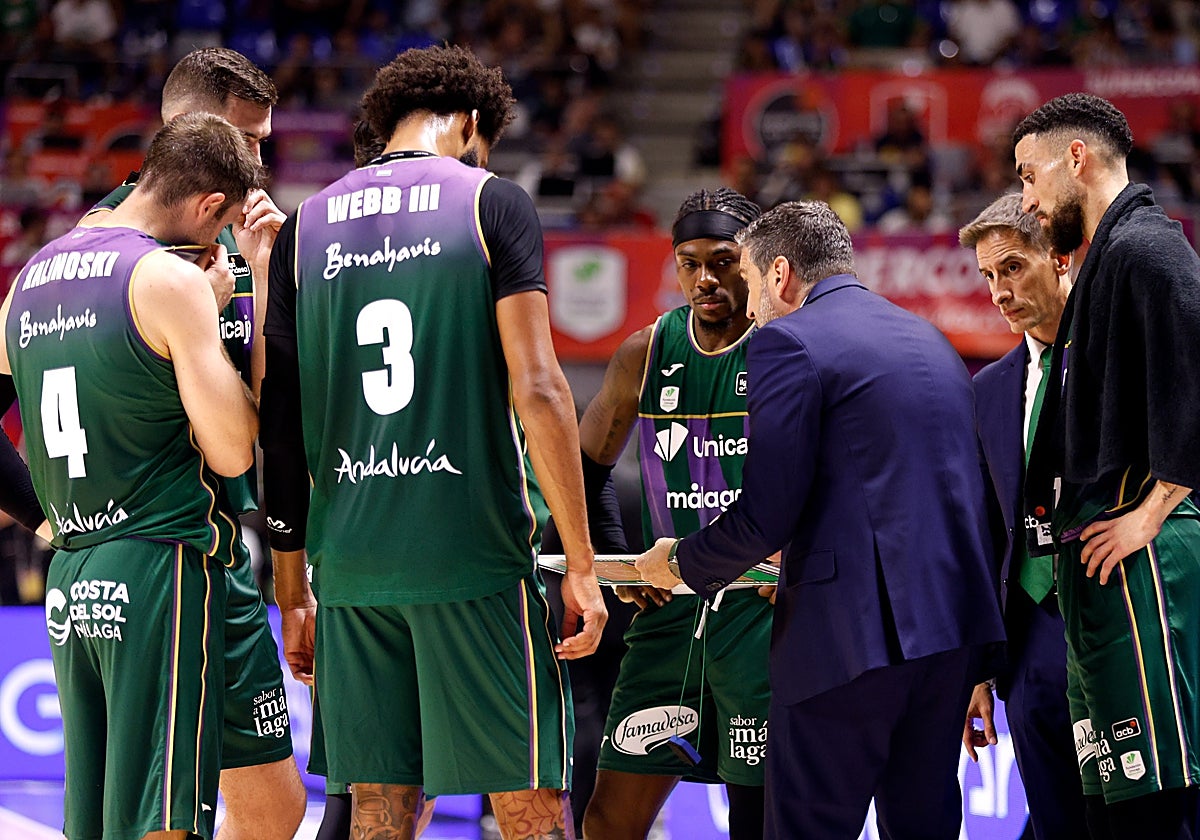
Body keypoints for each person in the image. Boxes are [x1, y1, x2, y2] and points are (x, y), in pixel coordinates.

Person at [259, 44, 607, 838]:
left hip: (348, 568)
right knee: (526, 802)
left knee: (381, 810)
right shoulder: (491, 201)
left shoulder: (305, 225)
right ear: (471, 123)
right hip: (472, 560)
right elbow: (542, 388)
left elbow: (279, 421)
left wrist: (293, 590)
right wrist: (581, 565)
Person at [636, 200, 1005, 839]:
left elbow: (766, 515)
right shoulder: (930, 338)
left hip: (846, 641)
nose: (749, 308)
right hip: (950, 638)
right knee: (924, 827)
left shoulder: (787, 340)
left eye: (749, 283)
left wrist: (676, 563)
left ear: (780, 274)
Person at [0, 112, 261, 840]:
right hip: (158, 567)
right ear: (210, 207)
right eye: (225, 225)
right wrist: (210, 309)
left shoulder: (29, 281)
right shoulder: (168, 280)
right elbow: (235, 452)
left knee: (96, 819)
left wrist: (38, 516)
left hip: (73, 570)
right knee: (163, 819)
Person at [82, 46, 307, 840]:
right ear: (189, 132)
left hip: (230, 557)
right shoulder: (105, 243)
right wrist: (43, 518)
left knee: (276, 810)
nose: (261, 161)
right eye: (248, 141)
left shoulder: (257, 237)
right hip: (149, 553)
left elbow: (279, 410)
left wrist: (292, 576)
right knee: (156, 814)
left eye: (265, 142)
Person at [1014, 92, 1200, 839]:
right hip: (1096, 573)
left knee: (1157, 803)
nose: (1027, 199)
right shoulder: (1103, 261)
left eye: (1030, 177)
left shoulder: (1148, 250)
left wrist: (1149, 514)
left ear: (1077, 160)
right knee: (1111, 810)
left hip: (1142, 563)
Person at [578, 188, 769, 840]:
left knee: (759, 820)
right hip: (670, 612)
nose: (705, 278)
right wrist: (615, 560)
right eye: (689, 262)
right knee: (607, 823)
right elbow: (585, 468)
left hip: (762, 609)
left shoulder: (787, 346)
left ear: (758, 260)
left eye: (723, 260)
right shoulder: (645, 351)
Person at [958, 192, 1088, 840]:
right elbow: (983, 536)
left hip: (1120, 614)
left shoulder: (1118, 359)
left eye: (1012, 268)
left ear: (1059, 257)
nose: (998, 291)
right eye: (988, 276)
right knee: (1059, 815)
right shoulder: (986, 391)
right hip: (1031, 632)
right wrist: (978, 668)